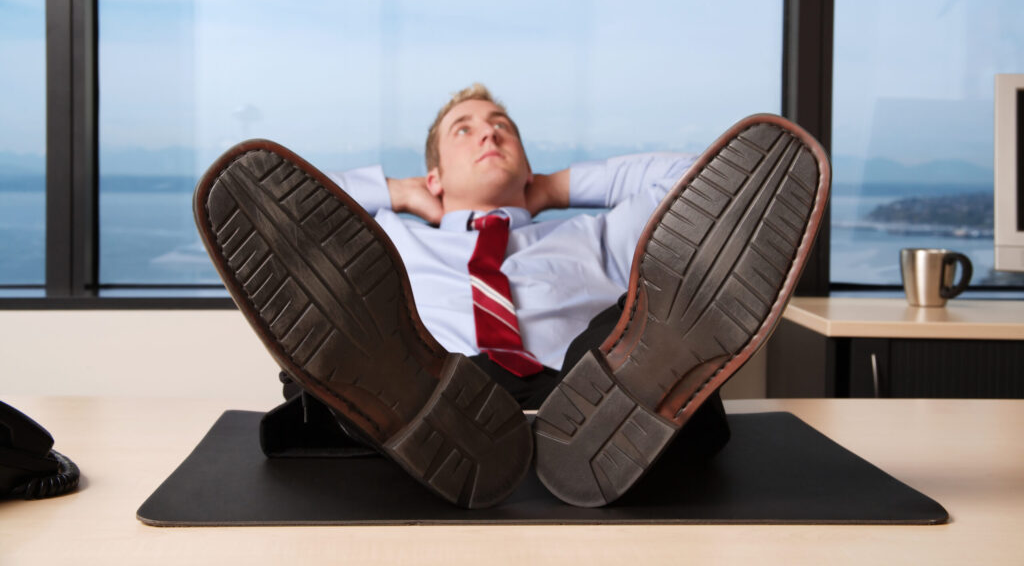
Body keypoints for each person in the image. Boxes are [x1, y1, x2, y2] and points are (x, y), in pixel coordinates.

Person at [193, 84, 830, 509]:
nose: (489, 135)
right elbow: (266, 211)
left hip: (582, 396)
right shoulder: (388, 240)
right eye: (464, 130)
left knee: (626, 324)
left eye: (503, 129)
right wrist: (395, 191)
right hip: (439, 386)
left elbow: (710, 185)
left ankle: (636, 396)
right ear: (435, 173)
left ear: (528, 165)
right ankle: (400, 396)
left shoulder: (598, 234)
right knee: (351, 329)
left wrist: (557, 187)